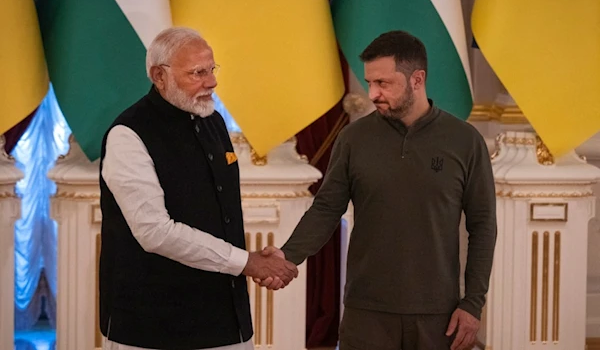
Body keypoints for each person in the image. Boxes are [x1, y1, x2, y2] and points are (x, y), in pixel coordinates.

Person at [258, 30, 497, 350]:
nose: (373, 93)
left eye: (383, 83)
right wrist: (287, 256)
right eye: (370, 82)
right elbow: (327, 209)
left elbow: (483, 225)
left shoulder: (465, 141)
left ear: (417, 79)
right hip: (365, 311)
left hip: (437, 314)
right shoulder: (353, 139)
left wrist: (473, 303)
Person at [98, 27, 297, 350]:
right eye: (197, 73)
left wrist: (257, 261)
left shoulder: (213, 121)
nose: (212, 82)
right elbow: (155, 232)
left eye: (212, 69)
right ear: (159, 76)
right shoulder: (128, 135)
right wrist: (248, 262)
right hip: (151, 328)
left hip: (225, 320)